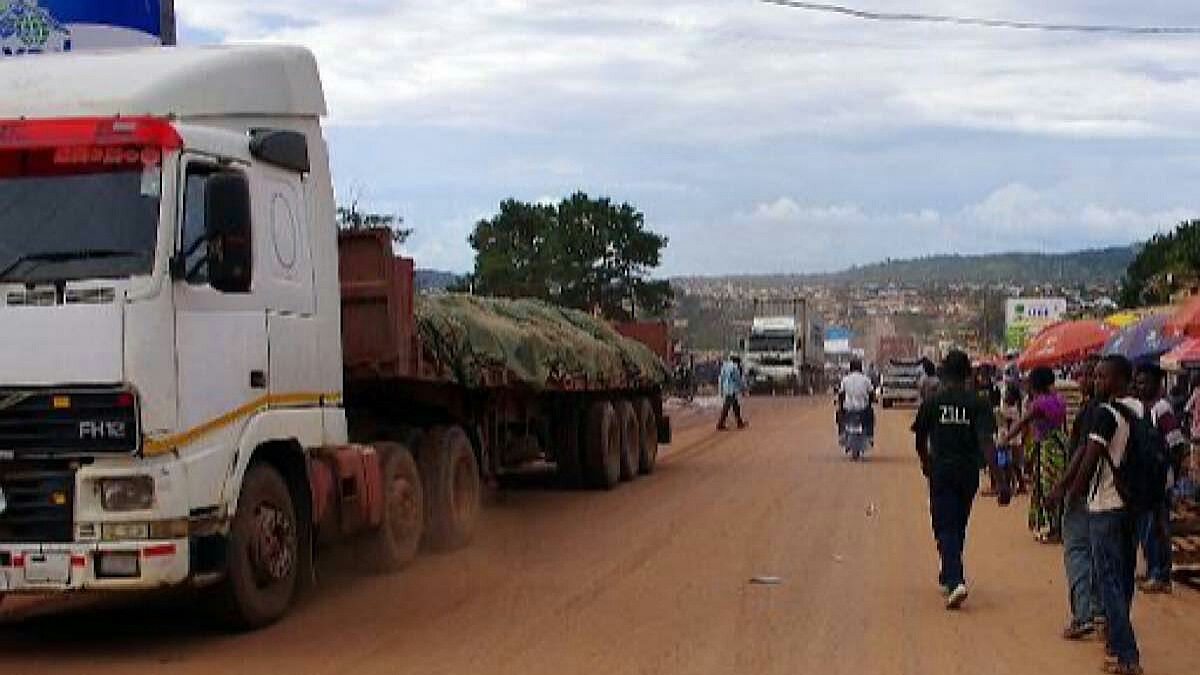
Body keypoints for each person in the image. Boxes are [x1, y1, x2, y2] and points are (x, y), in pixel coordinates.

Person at [1055, 355, 1142, 675]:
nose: (1096, 381)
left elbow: (1088, 457)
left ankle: (1126, 655)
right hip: (1130, 506)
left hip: (1105, 505)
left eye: (1102, 376)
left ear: (1120, 380)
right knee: (1123, 579)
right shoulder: (1138, 410)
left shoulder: (1106, 413)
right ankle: (1117, 644)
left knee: (1109, 584)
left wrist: (1071, 493)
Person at [912, 350, 997, 610]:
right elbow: (986, 442)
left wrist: (925, 462)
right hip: (968, 474)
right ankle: (949, 569)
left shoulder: (933, 403)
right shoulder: (979, 404)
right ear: (968, 373)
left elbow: (920, 437)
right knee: (958, 523)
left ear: (944, 373)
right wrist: (999, 478)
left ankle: (955, 580)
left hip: (942, 472)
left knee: (944, 525)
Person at [1057, 356, 1105, 640]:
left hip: (1084, 490)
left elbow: (1082, 452)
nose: (1085, 381)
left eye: (1093, 375)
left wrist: (1067, 487)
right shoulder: (1115, 409)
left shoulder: (1091, 411)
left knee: (1077, 551)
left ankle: (1083, 614)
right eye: (1085, 375)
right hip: (1104, 495)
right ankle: (1099, 610)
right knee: (1098, 553)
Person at [1002, 366, 1068, 543]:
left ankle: (1055, 530)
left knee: (1046, 488)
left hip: (1046, 448)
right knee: (1057, 485)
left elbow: (1022, 423)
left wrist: (1005, 439)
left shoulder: (1039, 404)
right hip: (1060, 445)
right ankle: (1059, 526)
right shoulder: (1059, 400)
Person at [1133, 363, 1184, 595]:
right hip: (1146, 480)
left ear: (1157, 384)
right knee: (1146, 527)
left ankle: (1160, 574)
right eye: (1138, 382)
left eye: (1145, 382)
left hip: (1159, 481)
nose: (1140, 387)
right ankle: (1153, 569)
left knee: (1157, 527)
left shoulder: (1162, 410)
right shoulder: (1143, 409)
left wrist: (1169, 475)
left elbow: (1176, 444)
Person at [839, 357, 875, 442]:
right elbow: (871, 393)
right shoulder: (866, 379)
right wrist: (871, 401)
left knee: (839, 415)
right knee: (871, 415)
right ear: (860, 367)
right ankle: (870, 436)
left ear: (851, 368)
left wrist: (841, 406)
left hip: (848, 409)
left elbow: (841, 394)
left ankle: (842, 434)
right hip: (863, 410)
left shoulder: (845, 379)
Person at [717, 354, 747, 431]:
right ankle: (720, 423)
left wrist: (720, 390)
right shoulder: (734, 368)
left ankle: (739, 422)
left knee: (735, 406)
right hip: (732, 389)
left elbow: (721, 378)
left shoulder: (724, 366)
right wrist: (743, 388)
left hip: (726, 388)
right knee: (727, 407)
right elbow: (738, 379)